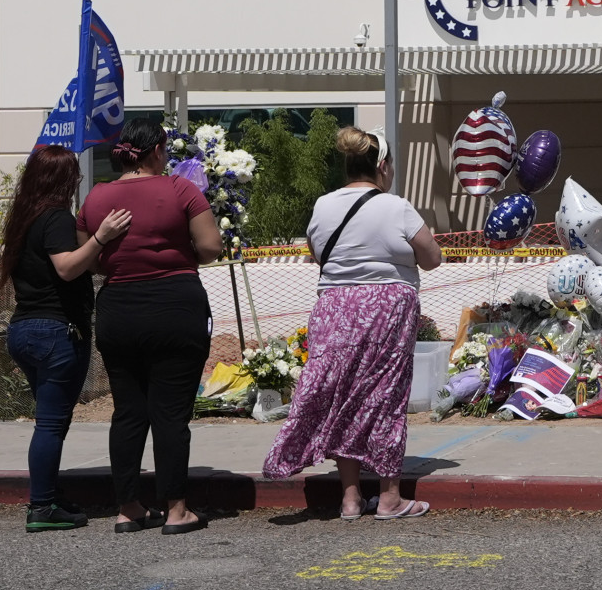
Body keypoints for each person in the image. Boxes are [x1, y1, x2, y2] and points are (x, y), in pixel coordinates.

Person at [265, 128, 444, 521]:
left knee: (343, 395)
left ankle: (349, 499)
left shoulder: (323, 205)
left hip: (333, 308)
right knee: (383, 397)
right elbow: (431, 258)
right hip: (386, 309)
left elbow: (317, 255)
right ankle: (390, 497)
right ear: (382, 166)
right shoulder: (397, 207)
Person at [81, 118, 223, 535]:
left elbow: (88, 257)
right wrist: (178, 253)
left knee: (127, 411)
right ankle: (177, 510)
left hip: (118, 310)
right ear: (158, 150)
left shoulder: (96, 197)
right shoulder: (181, 189)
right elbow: (211, 247)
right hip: (174, 306)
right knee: (170, 414)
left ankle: (128, 508)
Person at [0, 144, 133, 531]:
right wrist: (102, 237)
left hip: (24, 329)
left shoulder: (24, 219)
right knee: (51, 424)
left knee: (49, 420)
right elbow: (67, 268)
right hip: (55, 332)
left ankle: (48, 494)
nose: (78, 180)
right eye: (73, 174)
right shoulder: (55, 218)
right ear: (64, 180)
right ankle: (42, 506)